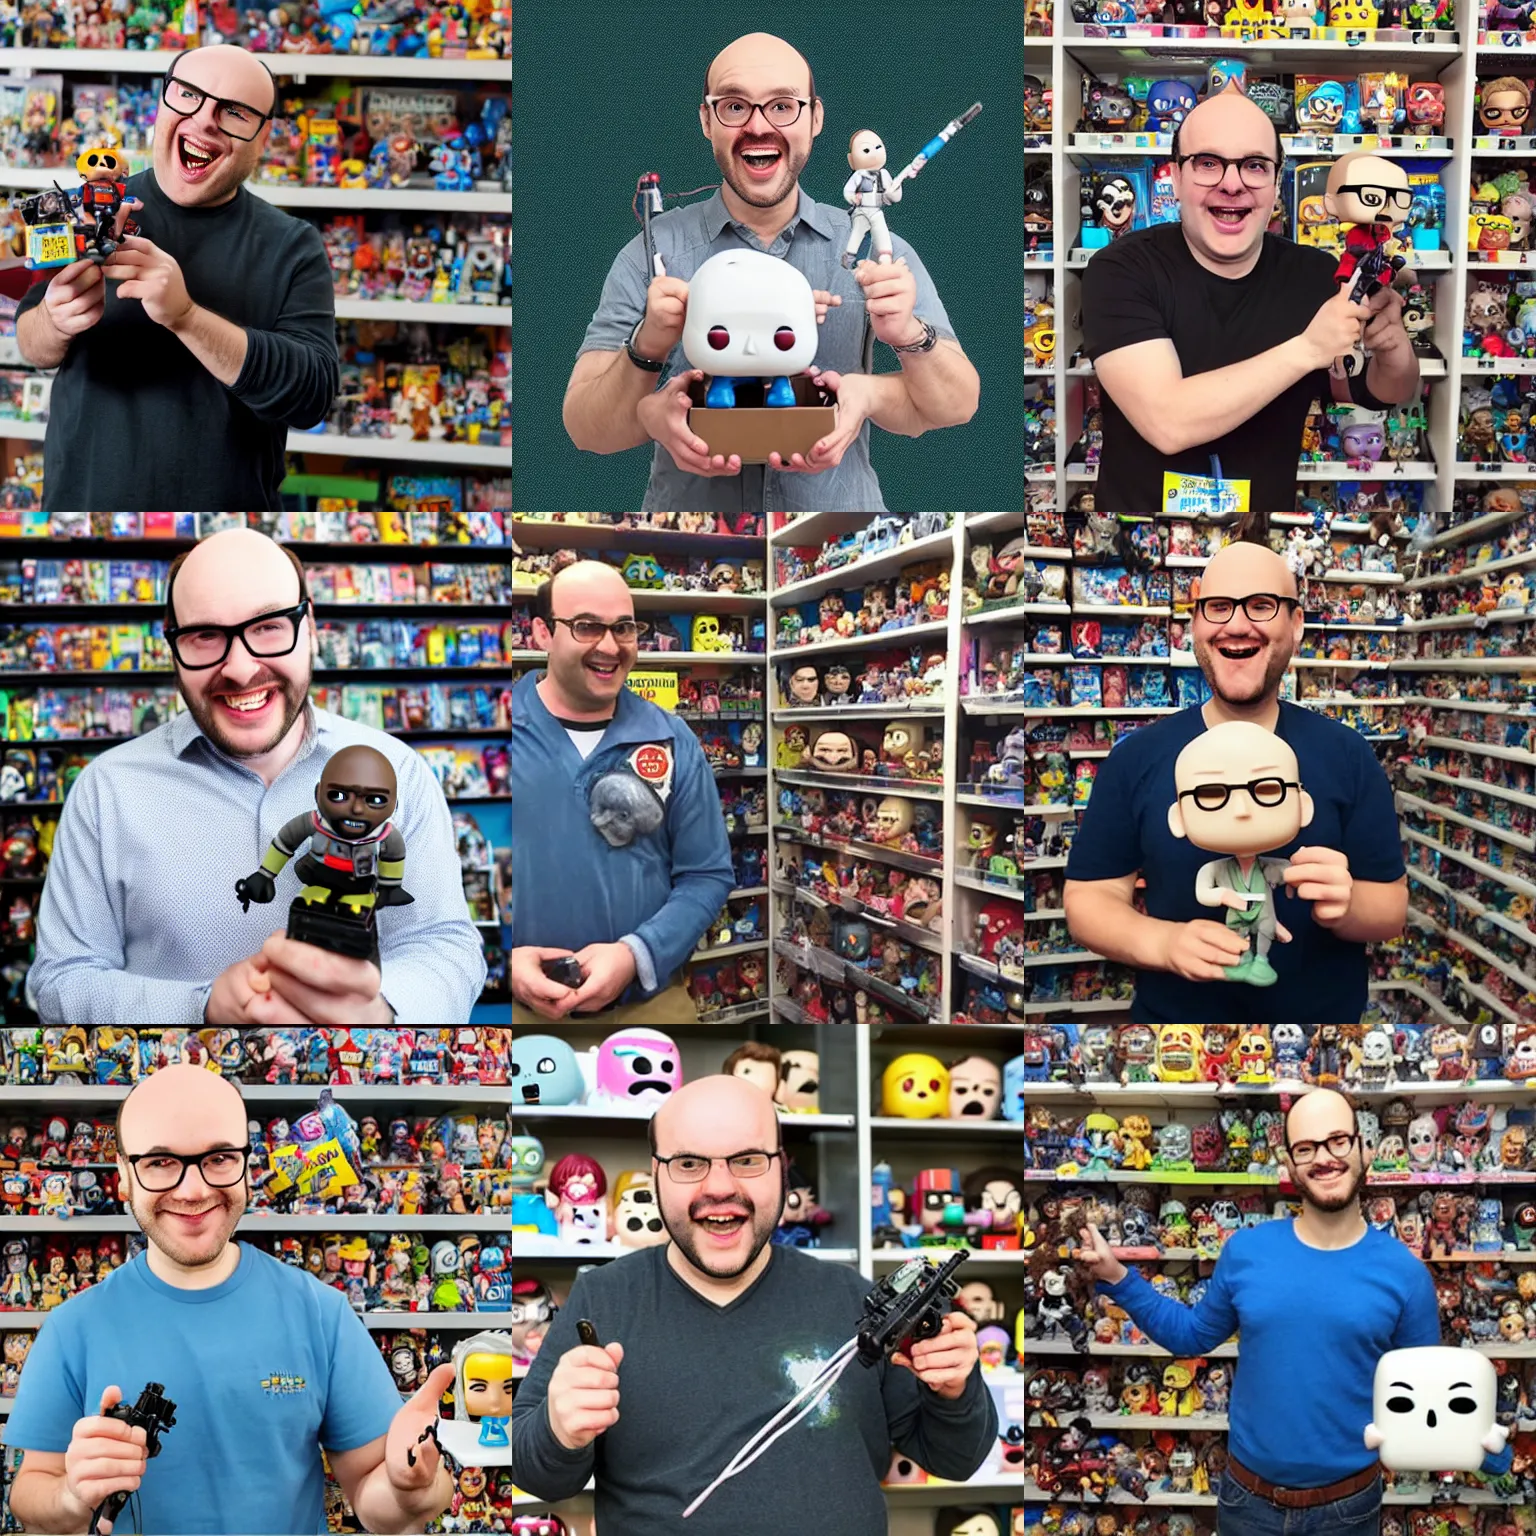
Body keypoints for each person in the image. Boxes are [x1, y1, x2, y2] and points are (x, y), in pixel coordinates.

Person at [27, 527, 486, 1026]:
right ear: (171, 644)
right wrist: (200, 1008)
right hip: (175, 1096)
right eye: (205, 635)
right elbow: (61, 979)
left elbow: (447, 946)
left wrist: (381, 1008)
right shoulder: (106, 790)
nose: (241, 670)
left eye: (268, 625)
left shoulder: (400, 772)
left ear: (310, 624)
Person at [511, 1076, 997, 1535]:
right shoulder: (604, 1297)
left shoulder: (852, 1299)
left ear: (781, 1168)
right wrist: (560, 1429)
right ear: (655, 1173)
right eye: (688, 1163)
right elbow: (538, 1473)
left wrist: (954, 1389)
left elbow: (955, 1458)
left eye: (747, 1159)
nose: (720, 1187)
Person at [5, 1064, 457, 1535]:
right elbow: (29, 1494)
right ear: (123, 1175)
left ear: (246, 1161)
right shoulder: (71, 1327)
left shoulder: (320, 1313)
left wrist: (413, 1486)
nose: (194, 1189)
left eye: (219, 1157)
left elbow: (375, 1495)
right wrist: (71, 1495)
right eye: (160, 1162)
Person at [562, 31, 979, 514]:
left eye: (783, 106)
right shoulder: (651, 254)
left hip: (842, 524)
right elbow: (586, 429)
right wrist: (648, 353)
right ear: (705, 120)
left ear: (815, 117)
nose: (759, 126)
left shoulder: (874, 254)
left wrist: (885, 369)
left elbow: (956, 405)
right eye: (734, 106)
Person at [1073, 1088, 1512, 1536]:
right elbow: (1192, 1336)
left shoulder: (1405, 1273)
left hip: (1348, 1509)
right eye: (1306, 1148)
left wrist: (1475, 1442)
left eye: (1338, 1140)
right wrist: (1116, 1277)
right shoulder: (1245, 1251)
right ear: (1289, 1163)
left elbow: (1427, 1396)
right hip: (1247, 1502)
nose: (1324, 1158)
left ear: (1365, 1148)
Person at [1063, 541, 1406, 1023]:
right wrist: (1162, 942)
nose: (1238, 625)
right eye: (1218, 607)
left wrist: (1346, 904)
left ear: (1297, 624)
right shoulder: (1136, 758)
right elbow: (1088, 899)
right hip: (1178, 1032)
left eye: (1262, 605)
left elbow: (1391, 908)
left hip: (1319, 1036)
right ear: (1196, 626)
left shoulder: (1347, 753)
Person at [15, 45, 337, 512]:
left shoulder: (293, 246)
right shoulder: (88, 210)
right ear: (162, 103)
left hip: (224, 532)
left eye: (235, 112)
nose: (205, 120)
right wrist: (54, 318)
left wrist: (186, 317)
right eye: (188, 95)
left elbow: (311, 397)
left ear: (263, 138)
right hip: (82, 512)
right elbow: (31, 341)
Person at [1081, 86, 1419, 514]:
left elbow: (1382, 392)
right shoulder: (1120, 270)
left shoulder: (1317, 276)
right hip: (1144, 532)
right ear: (1176, 177)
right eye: (1208, 163)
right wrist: (1308, 348)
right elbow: (1167, 421)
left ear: (1277, 183)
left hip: (1260, 529)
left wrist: (1394, 348)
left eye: (1255, 166)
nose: (1232, 184)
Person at [511, 560, 734, 1022]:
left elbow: (707, 874)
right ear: (541, 633)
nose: (610, 646)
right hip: (517, 1011)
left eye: (624, 628)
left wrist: (636, 954)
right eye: (587, 626)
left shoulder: (672, 740)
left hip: (648, 1003)